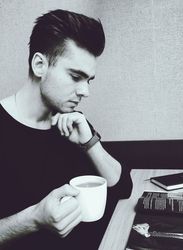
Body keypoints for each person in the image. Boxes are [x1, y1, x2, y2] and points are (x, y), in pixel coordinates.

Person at [0, 9, 132, 249]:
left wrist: (90, 143)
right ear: (40, 64)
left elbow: (123, 187)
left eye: (89, 80)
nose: (86, 92)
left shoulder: (71, 121)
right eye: (75, 77)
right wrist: (34, 219)